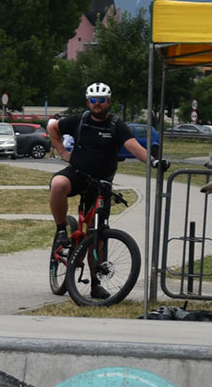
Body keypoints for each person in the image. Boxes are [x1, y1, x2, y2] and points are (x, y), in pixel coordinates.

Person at [46, 82, 151, 299]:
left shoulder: (116, 125)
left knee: (97, 234)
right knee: (58, 184)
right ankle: (61, 230)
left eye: (101, 100)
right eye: (93, 100)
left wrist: (154, 161)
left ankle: (95, 283)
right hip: (78, 173)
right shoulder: (80, 120)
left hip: (101, 182)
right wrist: (63, 151)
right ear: (88, 102)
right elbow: (51, 127)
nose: (97, 104)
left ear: (109, 102)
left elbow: (133, 146)